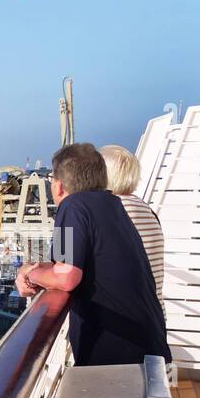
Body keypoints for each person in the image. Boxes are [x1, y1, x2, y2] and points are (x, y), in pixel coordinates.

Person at [15, 142, 169, 367]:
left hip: (117, 351)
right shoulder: (113, 204)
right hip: (148, 344)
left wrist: (31, 276)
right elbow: (67, 262)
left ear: (58, 186)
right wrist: (35, 269)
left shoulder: (72, 206)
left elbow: (66, 276)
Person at [100, 143, 165, 303]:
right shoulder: (147, 211)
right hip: (153, 316)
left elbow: (63, 266)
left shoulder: (106, 210)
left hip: (119, 319)